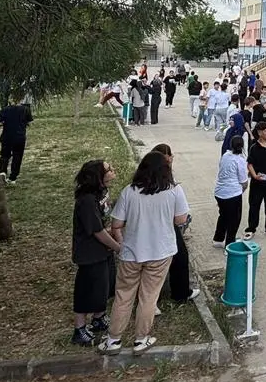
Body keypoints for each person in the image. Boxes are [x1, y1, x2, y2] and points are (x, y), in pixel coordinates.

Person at [98, 151, 189, 355]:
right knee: (149, 297)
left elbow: (117, 223)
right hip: (161, 252)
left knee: (123, 295)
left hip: (132, 252)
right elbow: (181, 220)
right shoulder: (174, 191)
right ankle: (141, 339)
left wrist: (122, 241)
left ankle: (113, 340)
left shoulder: (129, 191)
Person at [71, 159, 121, 346]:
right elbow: (97, 231)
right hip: (90, 253)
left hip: (103, 250)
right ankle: (79, 328)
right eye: (109, 169)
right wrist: (117, 247)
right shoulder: (87, 201)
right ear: (97, 176)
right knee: (87, 289)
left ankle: (99, 318)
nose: (113, 171)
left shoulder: (102, 192)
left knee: (104, 285)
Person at [150, 144, 199, 309]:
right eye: (170, 156)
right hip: (166, 224)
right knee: (175, 258)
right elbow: (180, 219)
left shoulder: (141, 178)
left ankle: (156, 299)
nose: (172, 159)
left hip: (149, 225)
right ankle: (176, 294)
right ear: (166, 158)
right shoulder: (171, 186)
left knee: (155, 262)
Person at [212, 137, 249, 247]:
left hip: (219, 192)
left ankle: (218, 239)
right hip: (232, 193)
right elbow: (243, 181)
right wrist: (241, 190)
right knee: (234, 220)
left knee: (223, 216)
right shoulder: (240, 160)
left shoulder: (225, 155)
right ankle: (230, 245)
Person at [0, 97, 33, 184]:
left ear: (10, 99)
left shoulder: (5, 109)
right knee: (17, 156)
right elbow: (29, 123)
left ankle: (3, 172)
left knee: (4, 155)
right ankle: (13, 177)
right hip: (19, 137)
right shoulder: (26, 109)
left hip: (6, 136)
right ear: (21, 99)